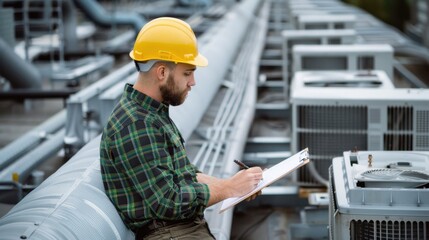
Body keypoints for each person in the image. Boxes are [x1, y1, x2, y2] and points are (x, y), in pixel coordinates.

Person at [99, 17, 263, 240]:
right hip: (170, 232)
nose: (193, 82)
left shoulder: (151, 113)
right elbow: (168, 201)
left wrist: (236, 185)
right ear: (162, 72)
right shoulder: (137, 124)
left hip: (180, 229)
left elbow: (184, 175)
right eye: (187, 73)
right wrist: (228, 190)